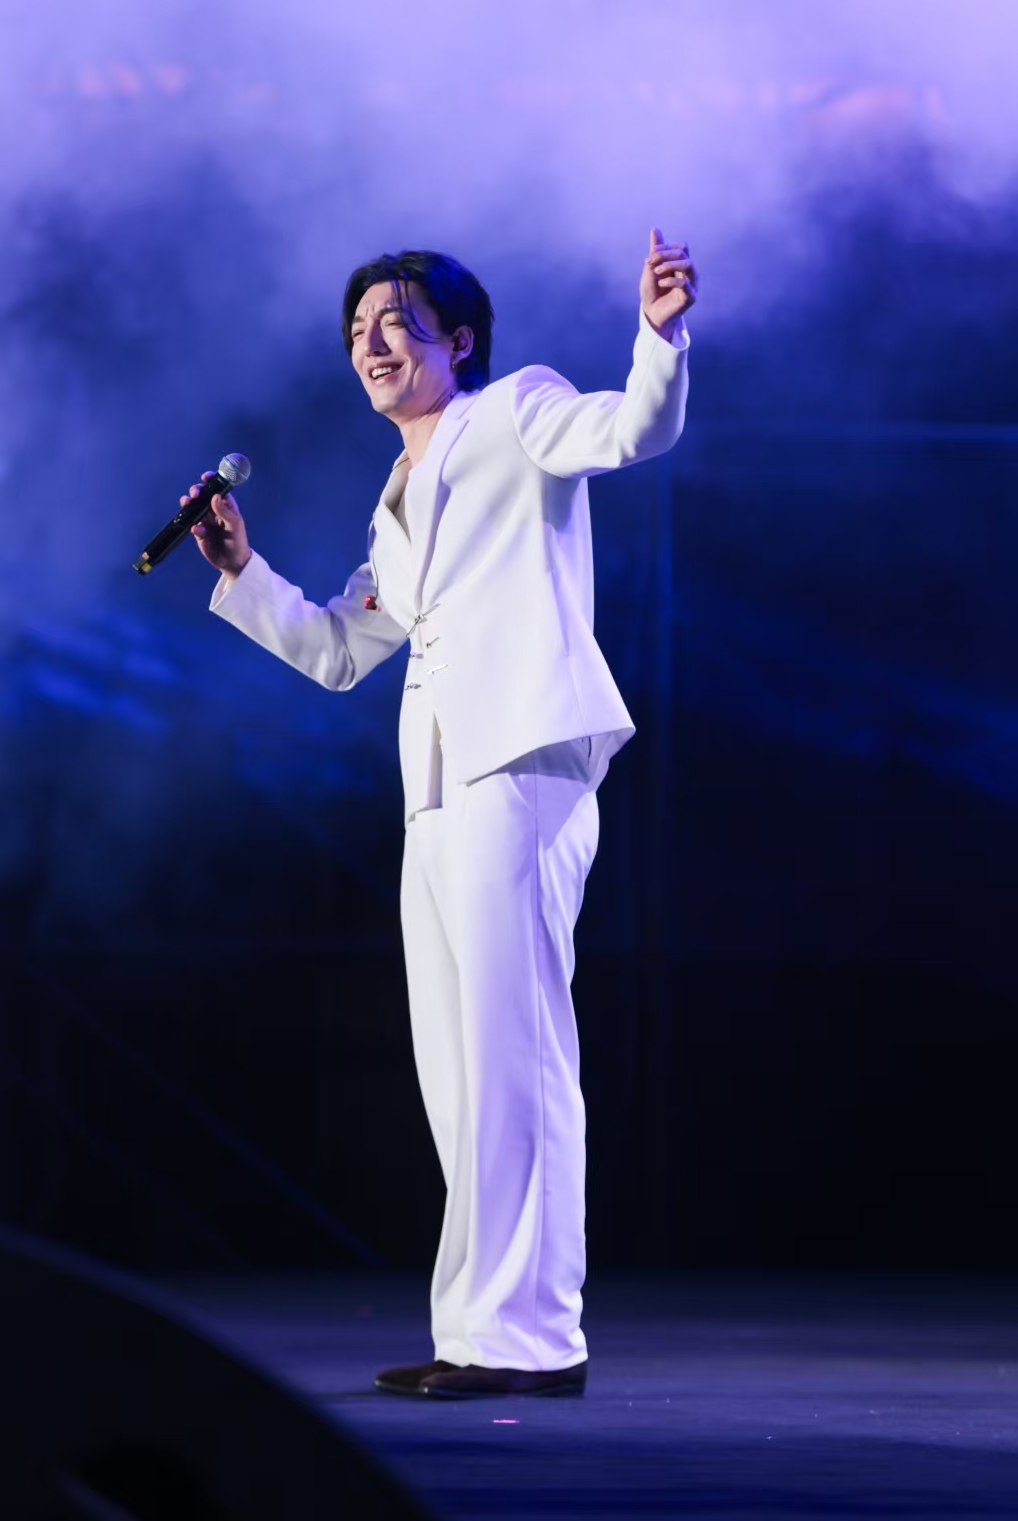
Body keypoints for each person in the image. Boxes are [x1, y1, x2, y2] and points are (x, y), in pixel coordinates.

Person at [183, 230, 695, 1399]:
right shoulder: (393, 502)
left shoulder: (515, 410)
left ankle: (531, 1334)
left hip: (516, 756)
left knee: (515, 1050)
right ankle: (476, 1327)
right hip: (436, 782)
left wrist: (658, 337)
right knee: (458, 1068)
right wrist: (241, 569)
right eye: (357, 330)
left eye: (396, 324)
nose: (371, 344)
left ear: (457, 341)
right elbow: (337, 650)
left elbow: (631, 431)